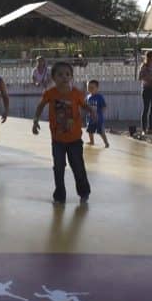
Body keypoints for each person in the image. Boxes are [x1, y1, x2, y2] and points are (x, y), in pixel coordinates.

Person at [31, 62, 91, 205]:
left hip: (75, 140)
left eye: (67, 74)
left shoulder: (76, 93)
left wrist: (92, 111)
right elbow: (40, 106)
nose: (64, 77)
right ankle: (59, 196)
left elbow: (84, 105)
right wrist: (35, 121)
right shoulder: (50, 94)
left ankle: (84, 193)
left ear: (71, 77)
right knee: (58, 167)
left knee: (77, 166)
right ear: (53, 78)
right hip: (57, 140)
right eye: (60, 75)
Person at [85, 80, 109, 148]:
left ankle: (106, 143)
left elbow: (104, 106)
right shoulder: (88, 97)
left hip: (98, 119)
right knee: (90, 131)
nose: (90, 89)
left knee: (101, 131)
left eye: (92, 87)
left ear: (97, 88)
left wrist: (100, 114)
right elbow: (86, 105)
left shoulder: (99, 97)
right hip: (90, 118)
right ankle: (92, 141)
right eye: (88, 87)